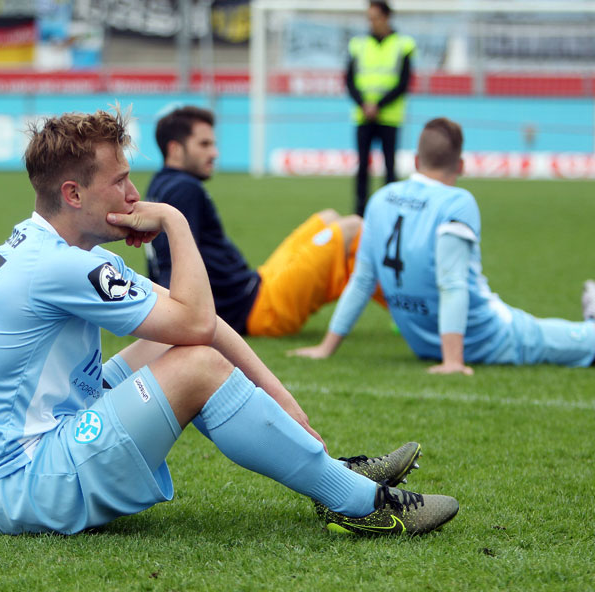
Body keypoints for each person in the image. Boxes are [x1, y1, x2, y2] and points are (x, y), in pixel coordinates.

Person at [0, 107, 458, 537]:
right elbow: (196, 324)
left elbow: (202, 326)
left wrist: (284, 403)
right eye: (119, 182)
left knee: (177, 352)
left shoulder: (49, 249)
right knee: (196, 367)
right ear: (73, 194)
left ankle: (329, 471)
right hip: (24, 486)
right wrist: (174, 221)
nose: (133, 194)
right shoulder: (60, 264)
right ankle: (361, 504)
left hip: (43, 445)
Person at [291, 117, 595, 373]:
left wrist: (326, 347)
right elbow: (451, 283)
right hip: (489, 336)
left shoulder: (381, 199)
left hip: (426, 342)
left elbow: (362, 281)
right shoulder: (457, 203)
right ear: (460, 165)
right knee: (576, 342)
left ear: (415, 160)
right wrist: (453, 361)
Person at [145, 105, 380, 338]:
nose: (215, 152)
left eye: (213, 144)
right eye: (204, 144)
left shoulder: (160, 185)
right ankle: (406, 309)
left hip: (257, 285)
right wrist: (176, 321)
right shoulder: (184, 189)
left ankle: (400, 300)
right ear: (175, 149)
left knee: (328, 217)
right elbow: (174, 264)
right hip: (256, 310)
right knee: (353, 227)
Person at [347, 1, 415, 216]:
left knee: (389, 167)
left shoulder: (403, 44)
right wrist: (364, 104)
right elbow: (348, 80)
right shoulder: (358, 44)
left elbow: (403, 83)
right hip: (363, 116)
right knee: (362, 167)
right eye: (369, 18)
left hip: (390, 117)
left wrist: (378, 105)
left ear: (386, 17)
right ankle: (360, 212)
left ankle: (390, 210)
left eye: (375, 17)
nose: (371, 22)